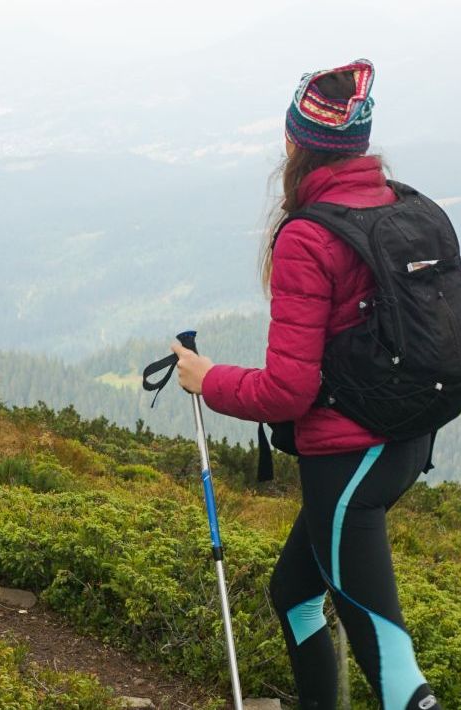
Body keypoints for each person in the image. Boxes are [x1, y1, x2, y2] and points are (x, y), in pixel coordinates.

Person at [171, 59, 443, 710]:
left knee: (390, 656)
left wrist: (208, 380)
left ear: (296, 144)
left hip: (347, 467)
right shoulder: (399, 205)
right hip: (405, 442)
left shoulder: (309, 235)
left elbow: (287, 392)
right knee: (293, 596)